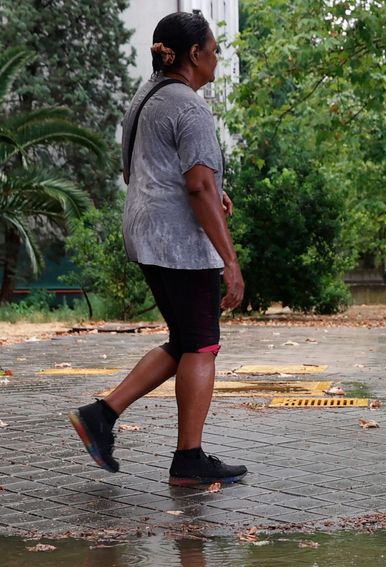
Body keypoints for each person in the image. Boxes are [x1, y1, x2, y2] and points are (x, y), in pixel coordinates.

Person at [69, 12, 247, 486]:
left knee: (185, 343)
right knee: (203, 345)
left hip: (144, 234)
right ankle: (188, 459)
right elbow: (198, 187)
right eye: (213, 50)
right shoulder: (189, 108)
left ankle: (101, 416)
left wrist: (209, 188)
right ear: (193, 55)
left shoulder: (142, 100)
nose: (217, 58)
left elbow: (140, 172)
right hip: (180, 245)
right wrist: (230, 261)